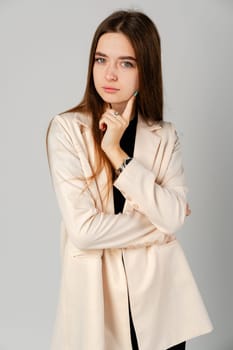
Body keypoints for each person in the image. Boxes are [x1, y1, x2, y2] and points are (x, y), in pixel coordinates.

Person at [46, 9, 213, 350]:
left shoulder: (165, 136)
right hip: (99, 298)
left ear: (145, 70)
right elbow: (84, 231)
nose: (109, 73)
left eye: (126, 63)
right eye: (101, 59)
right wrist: (160, 223)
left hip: (159, 304)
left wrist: (117, 154)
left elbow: (171, 216)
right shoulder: (67, 130)